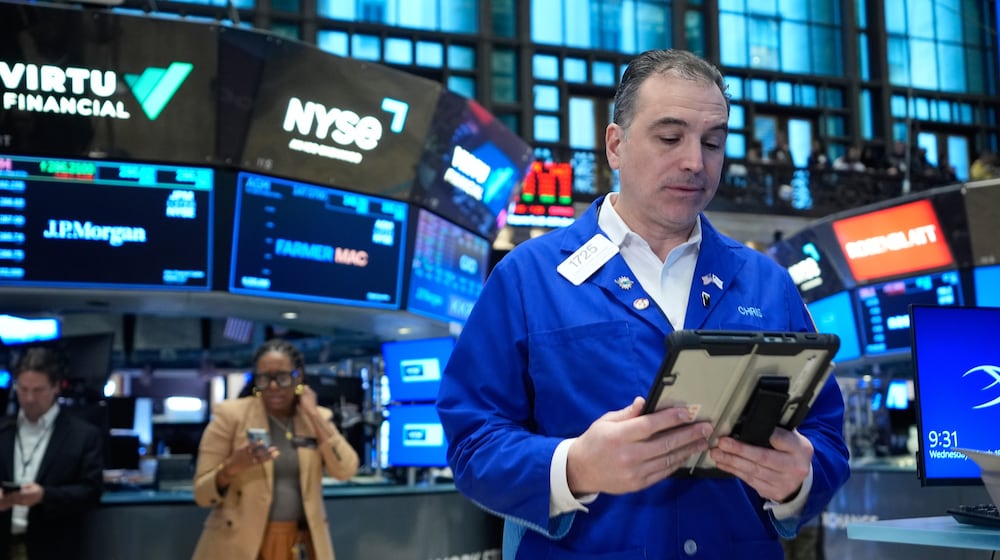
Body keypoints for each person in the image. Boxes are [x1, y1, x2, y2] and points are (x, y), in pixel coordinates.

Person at [437, 49, 850, 559]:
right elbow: (472, 440)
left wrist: (799, 480)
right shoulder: (527, 278)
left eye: (713, 142)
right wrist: (572, 467)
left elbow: (826, 434)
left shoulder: (767, 283)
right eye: (670, 138)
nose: (695, 161)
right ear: (615, 145)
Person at [191, 339, 359, 560]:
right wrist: (231, 468)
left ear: (297, 377)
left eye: (282, 377)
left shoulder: (316, 418)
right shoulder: (230, 416)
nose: (272, 387)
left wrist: (314, 415)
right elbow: (202, 494)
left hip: (299, 543)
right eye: (263, 378)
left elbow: (346, 469)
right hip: (241, 543)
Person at [0, 347, 104, 560]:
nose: (29, 398)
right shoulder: (3, 430)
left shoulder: (83, 435)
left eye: (38, 390)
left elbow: (91, 492)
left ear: (56, 387)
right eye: (23, 389)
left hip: (54, 547)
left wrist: (44, 495)